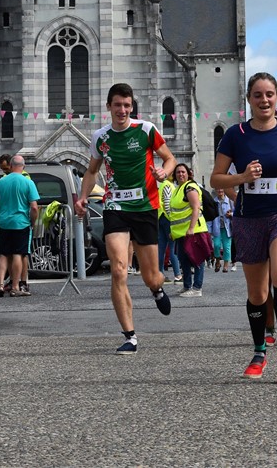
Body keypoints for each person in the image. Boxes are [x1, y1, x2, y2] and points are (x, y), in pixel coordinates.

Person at [211, 72, 277, 378]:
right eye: (257, 95)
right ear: (249, 99)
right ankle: (259, 353)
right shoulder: (236, 134)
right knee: (257, 295)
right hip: (249, 218)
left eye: (269, 94)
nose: (264, 100)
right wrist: (242, 177)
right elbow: (216, 178)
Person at [75, 82, 176, 354]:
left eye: (127, 105)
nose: (122, 110)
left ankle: (156, 289)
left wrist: (164, 172)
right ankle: (130, 336)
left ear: (132, 107)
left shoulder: (146, 130)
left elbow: (169, 159)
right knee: (119, 269)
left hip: (144, 207)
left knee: (151, 276)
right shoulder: (100, 137)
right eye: (118, 105)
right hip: (115, 206)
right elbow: (91, 171)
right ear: (109, 106)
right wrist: (82, 197)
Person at [0, 154, 40, 297]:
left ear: (11, 166)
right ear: (23, 166)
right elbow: (34, 207)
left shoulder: (0, 182)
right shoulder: (28, 182)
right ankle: (15, 287)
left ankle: (1, 285)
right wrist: (32, 222)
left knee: (4, 254)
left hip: (4, 222)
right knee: (18, 253)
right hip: (21, 223)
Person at [169, 164, 209, 296]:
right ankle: (187, 286)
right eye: (178, 172)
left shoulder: (190, 187)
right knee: (183, 260)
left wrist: (191, 228)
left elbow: (196, 207)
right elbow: (175, 213)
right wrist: (172, 231)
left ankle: (197, 288)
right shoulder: (177, 189)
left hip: (194, 230)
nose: (180, 174)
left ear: (188, 174)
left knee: (197, 259)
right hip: (180, 232)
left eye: (183, 172)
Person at [157, 174, 182, 283]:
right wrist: (172, 219)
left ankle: (160, 274)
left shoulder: (162, 185)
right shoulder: (168, 185)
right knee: (173, 246)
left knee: (161, 247)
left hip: (160, 217)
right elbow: (167, 203)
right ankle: (177, 275)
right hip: (167, 218)